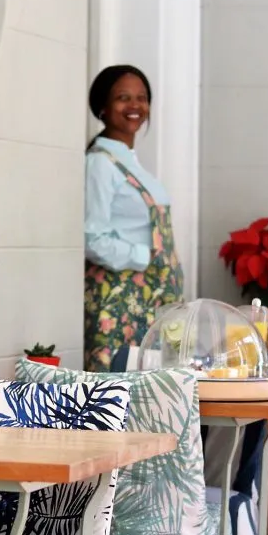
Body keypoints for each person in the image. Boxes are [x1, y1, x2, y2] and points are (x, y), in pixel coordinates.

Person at [84, 65, 184, 371]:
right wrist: (146, 257)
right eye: (123, 97)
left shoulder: (131, 163)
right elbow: (91, 237)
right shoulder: (99, 164)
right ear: (103, 106)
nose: (135, 106)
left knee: (149, 395)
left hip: (149, 301)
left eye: (141, 98)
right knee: (115, 392)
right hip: (118, 302)